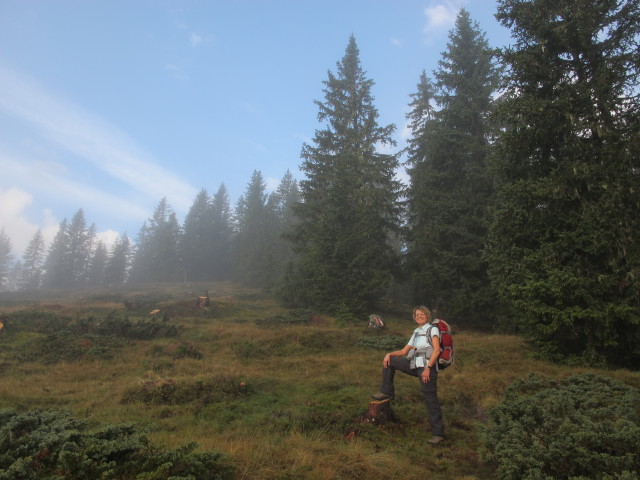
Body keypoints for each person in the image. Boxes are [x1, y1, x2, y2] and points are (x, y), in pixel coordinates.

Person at [371, 305, 445, 445]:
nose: (419, 316)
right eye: (417, 315)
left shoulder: (432, 329)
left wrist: (428, 368)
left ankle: (438, 434)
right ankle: (386, 392)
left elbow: (436, 350)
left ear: (427, 315)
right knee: (391, 361)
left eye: (421, 314)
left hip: (427, 368)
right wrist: (389, 354)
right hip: (414, 365)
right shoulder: (416, 332)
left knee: (430, 399)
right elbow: (404, 351)